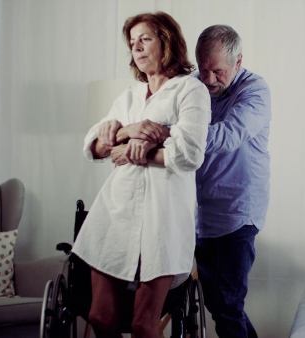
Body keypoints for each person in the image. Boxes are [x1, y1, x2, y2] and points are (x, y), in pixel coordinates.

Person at [72, 12, 211, 338]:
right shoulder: (129, 96)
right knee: (101, 318)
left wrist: (139, 150)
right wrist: (136, 130)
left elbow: (189, 155)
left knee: (143, 325)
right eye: (132, 43)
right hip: (115, 213)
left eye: (144, 39)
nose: (136, 48)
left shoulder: (190, 92)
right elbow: (93, 147)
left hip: (162, 218)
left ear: (167, 40)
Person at [193, 25, 271, 338]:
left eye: (217, 71)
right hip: (202, 215)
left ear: (238, 62)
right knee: (220, 305)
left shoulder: (255, 90)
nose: (208, 79)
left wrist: (172, 136)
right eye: (202, 69)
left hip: (238, 213)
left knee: (226, 305)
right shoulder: (193, 84)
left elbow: (228, 135)